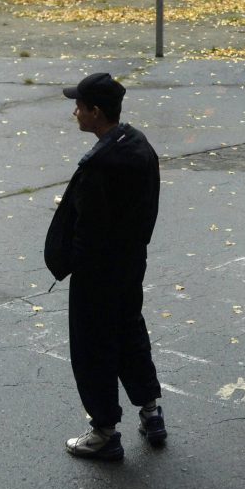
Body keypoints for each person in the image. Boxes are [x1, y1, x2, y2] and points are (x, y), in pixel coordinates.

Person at [45, 72, 167, 460]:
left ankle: (103, 431)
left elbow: (89, 227)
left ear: (96, 112)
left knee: (93, 347)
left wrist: (74, 262)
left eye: (79, 106)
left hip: (98, 272)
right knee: (130, 333)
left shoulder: (101, 164)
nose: (74, 112)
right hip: (131, 263)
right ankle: (151, 412)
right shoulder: (138, 145)